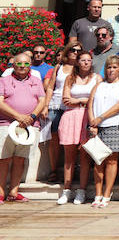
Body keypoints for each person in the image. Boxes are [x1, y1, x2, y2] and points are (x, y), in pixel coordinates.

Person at [0, 53, 47, 203]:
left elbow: (42, 101)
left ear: (30, 65)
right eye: (19, 63)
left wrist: (32, 117)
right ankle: (0, 192)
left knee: (20, 159)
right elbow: (0, 102)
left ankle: (14, 192)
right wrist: (18, 116)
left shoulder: (36, 81)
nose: (22, 66)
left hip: (29, 126)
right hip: (7, 124)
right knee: (3, 159)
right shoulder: (4, 80)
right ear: (13, 65)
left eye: (26, 63)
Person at [57, 51, 100, 205]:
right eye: (83, 60)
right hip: (70, 116)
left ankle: (81, 191)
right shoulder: (70, 78)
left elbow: (97, 99)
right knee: (69, 157)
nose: (86, 63)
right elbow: (66, 100)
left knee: (84, 156)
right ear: (78, 62)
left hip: (88, 117)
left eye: (89, 60)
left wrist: (78, 100)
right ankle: (66, 190)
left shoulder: (97, 78)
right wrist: (84, 100)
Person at [86, 55, 119, 208]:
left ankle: (107, 193)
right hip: (97, 126)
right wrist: (92, 122)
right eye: (109, 67)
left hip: (114, 125)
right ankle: (98, 193)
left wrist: (101, 118)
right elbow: (90, 103)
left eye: (114, 67)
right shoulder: (99, 85)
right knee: (98, 160)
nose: (111, 70)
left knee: (111, 160)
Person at [43, 42, 79, 183]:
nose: (75, 52)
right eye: (72, 50)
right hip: (56, 104)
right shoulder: (59, 67)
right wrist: (46, 105)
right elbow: (50, 87)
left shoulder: (81, 67)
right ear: (67, 51)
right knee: (54, 137)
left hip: (72, 106)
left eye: (78, 50)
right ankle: (53, 170)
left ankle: (72, 169)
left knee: (73, 138)